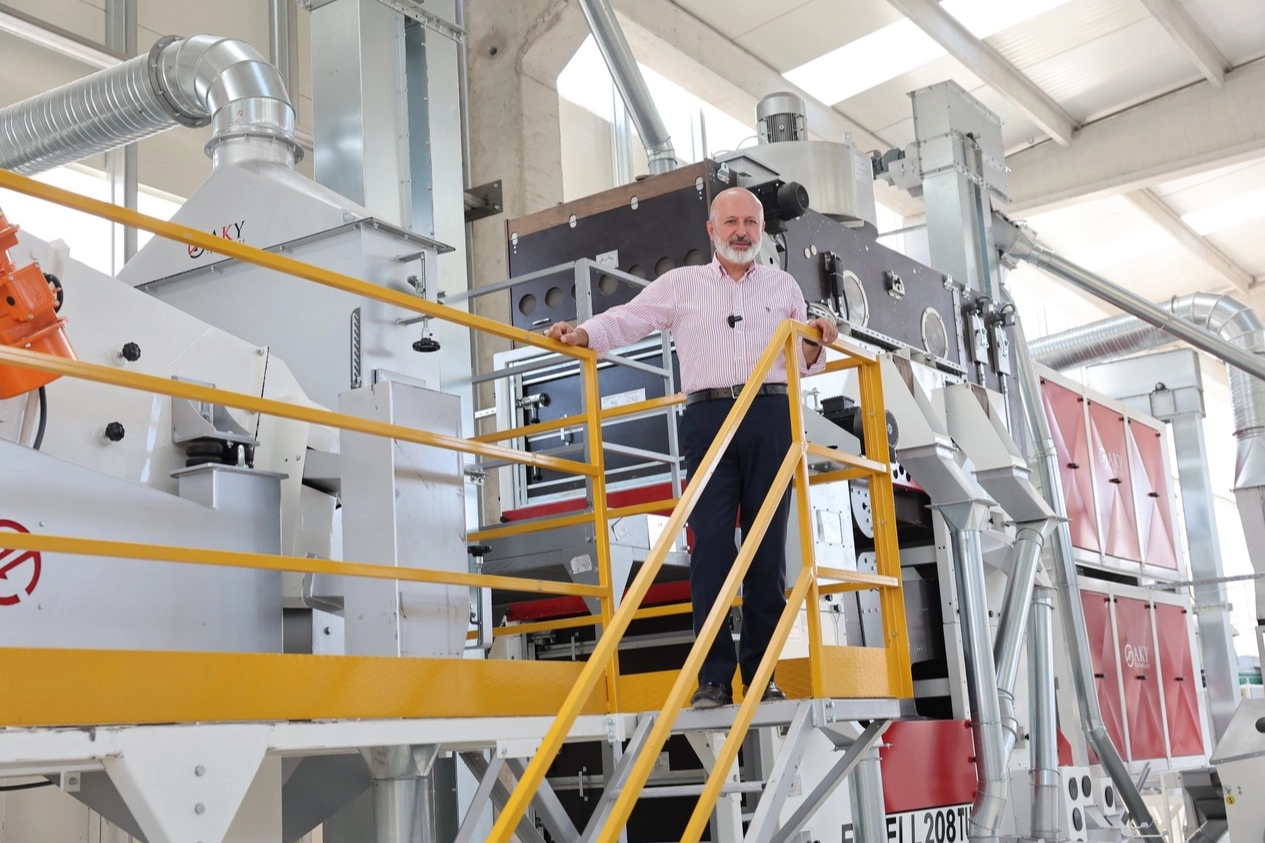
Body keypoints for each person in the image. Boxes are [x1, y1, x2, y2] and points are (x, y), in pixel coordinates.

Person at [546, 187, 839, 709]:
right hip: (708, 416)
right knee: (710, 545)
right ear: (711, 229)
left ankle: (762, 676)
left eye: (751, 222)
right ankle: (713, 679)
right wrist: (583, 335)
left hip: (770, 414)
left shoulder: (783, 286)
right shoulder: (681, 285)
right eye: (731, 222)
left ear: (762, 229)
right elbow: (627, 318)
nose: (741, 232)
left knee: (767, 550)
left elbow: (802, 359)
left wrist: (818, 341)